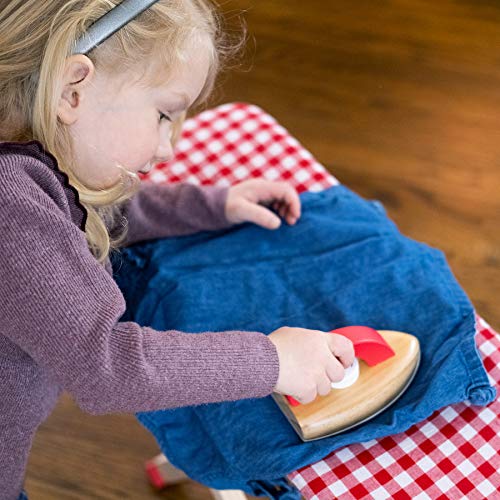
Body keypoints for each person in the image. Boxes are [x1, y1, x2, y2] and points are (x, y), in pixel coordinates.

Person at [0, 1, 354, 498]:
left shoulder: (29, 164)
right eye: (163, 114)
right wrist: (273, 360)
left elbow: (99, 210)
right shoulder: (10, 210)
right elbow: (106, 367)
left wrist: (216, 204)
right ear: (71, 89)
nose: (168, 147)